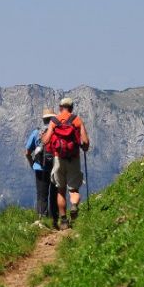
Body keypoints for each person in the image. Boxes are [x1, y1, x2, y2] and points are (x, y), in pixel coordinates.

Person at [41, 97, 90, 229]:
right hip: (73, 159)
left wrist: (43, 137)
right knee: (73, 190)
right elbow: (85, 143)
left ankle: (63, 221)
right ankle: (74, 205)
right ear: (72, 108)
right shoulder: (76, 120)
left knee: (61, 191)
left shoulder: (54, 121)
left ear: (60, 107)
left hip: (58, 159)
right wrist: (83, 147)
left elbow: (46, 141)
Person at [25, 108, 58, 226]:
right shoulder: (56, 132)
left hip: (40, 168)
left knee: (41, 194)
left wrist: (32, 163)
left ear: (43, 119)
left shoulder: (36, 133)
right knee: (54, 194)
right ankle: (55, 219)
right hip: (55, 168)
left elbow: (27, 152)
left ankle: (42, 219)